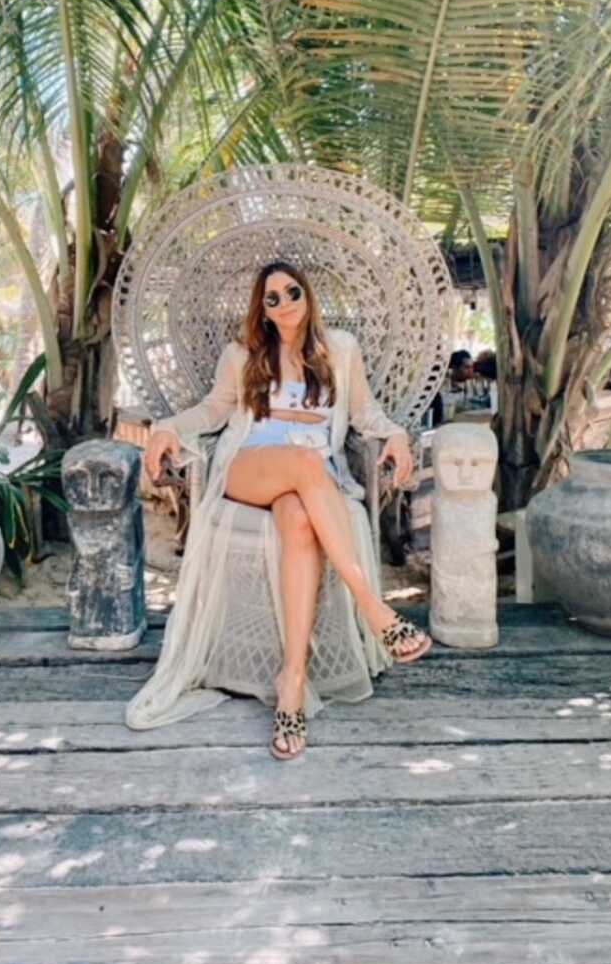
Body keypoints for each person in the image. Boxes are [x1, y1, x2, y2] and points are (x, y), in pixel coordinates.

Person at [132, 259, 431, 759]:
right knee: (300, 462)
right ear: (263, 310)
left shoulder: (340, 350)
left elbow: (364, 413)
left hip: (313, 478)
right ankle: (375, 609)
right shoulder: (242, 354)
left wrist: (395, 433)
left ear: (307, 294)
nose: (285, 302)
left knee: (298, 517)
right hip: (251, 467)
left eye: (292, 291)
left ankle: (291, 682)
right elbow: (214, 411)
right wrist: (168, 426)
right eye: (272, 298)